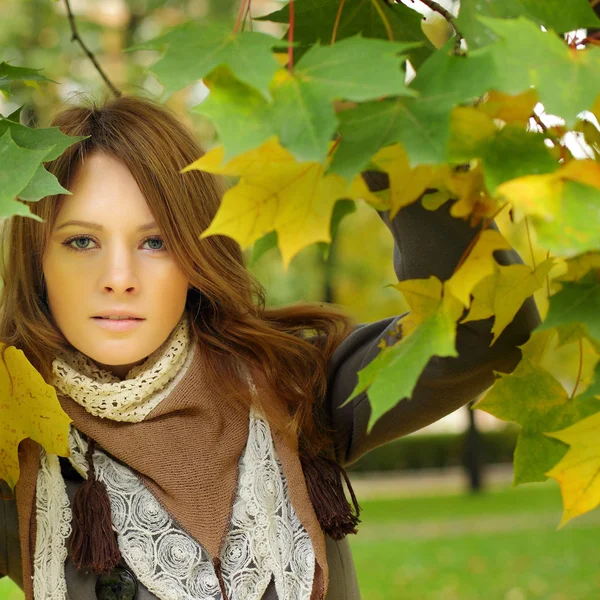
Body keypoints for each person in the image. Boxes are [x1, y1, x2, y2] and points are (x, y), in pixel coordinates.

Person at [0, 94, 540, 600]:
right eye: (81, 241)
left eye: (155, 241)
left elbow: (486, 328)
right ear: (37, 262)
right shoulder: (12, 429)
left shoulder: (294, 384)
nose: (119, 277)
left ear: (194, 259)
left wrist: (378, 125)